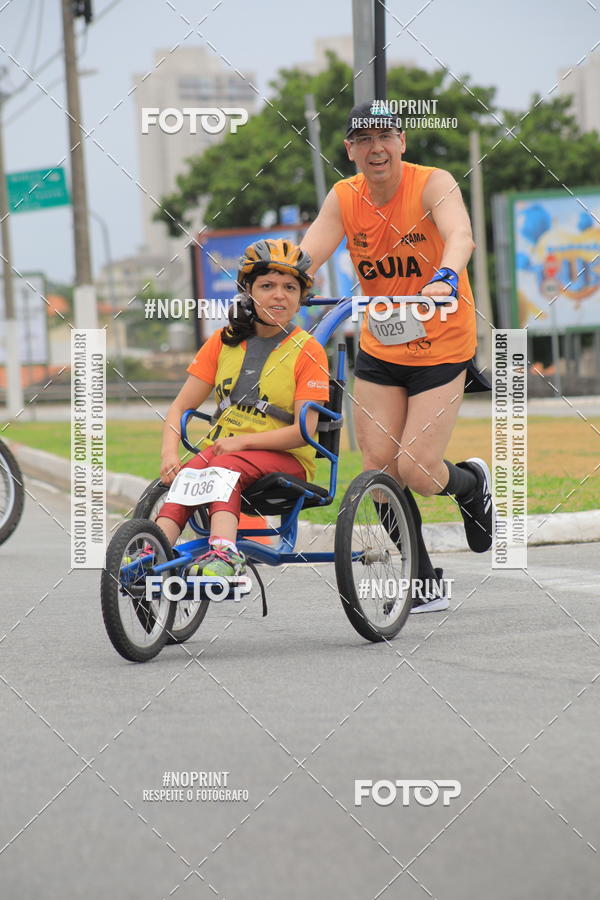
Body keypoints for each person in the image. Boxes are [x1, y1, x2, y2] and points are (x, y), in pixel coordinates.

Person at [300, 100, 492, 613]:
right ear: (350, 150)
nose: (376, 148)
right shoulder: (344, 196)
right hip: (383, 343)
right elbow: (307, 256)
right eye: (363, 140)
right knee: (379, 471)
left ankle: (471, 484)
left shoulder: (432, 183)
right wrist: (280, 284)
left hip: (442, 341)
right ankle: (422, 580)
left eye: (384, 136)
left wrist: (446, 276)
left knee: (417, 469)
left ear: (401, 142)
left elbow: (461, 235)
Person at [148, 239, 329, 578]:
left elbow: (303, 432)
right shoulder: (223, 341)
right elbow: (180, 406)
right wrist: (168, 455)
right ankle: (151, 553)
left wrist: (242, 443)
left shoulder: (309, 351)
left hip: (287, 460)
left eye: (290, 287)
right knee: (189, 474)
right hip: (225, 453)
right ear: (248, 289)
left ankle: (224, 553)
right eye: (267, 286)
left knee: (224, 464)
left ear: (301, 297)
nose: (279, 295)